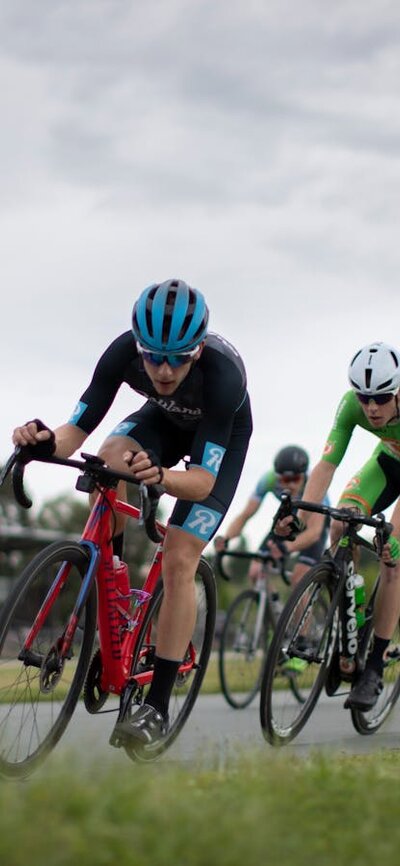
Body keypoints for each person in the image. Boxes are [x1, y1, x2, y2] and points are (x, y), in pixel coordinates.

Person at [12, 278, 253, 748]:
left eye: (178, 358)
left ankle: (157, 708)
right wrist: (43, 442)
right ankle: (115, 584)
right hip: (162, 422)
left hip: (217, 443)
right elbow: (75, 430)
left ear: (198, 350)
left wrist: (160, 477)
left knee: (180, 557)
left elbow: (203, 481)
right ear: (138, 346)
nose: (163, 369)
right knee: (108, 458)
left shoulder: (223, 379)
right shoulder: (121, 352)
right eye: (153, 356)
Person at [276, 341, 400, 711]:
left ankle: (375, 666)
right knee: (338, 521)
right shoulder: (351, 407)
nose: (372, 407)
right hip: (388, 462)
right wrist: (300, 515)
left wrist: (393, 537)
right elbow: (327, 465)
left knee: (392, 557)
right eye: (365, 398)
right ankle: (349, 620)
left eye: (381, 398)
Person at [215, 444, 329, 589]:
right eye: (286, 480)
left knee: (299, 578)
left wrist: (286, 548)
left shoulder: (314, 484)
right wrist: (227, 538)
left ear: (304, 475)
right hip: (288, 518)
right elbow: (245, 515)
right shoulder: (268, 480)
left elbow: (314, 533)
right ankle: (270, 606)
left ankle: (304, 612)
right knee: (256, 572)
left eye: (296, 478)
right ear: (278, 477)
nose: (292, 485)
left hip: (313, 521)